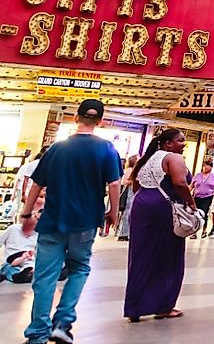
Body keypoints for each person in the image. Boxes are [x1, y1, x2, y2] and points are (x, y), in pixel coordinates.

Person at [20, 99, 122, 344]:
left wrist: (26, 214)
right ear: (100, 121)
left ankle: (37, 334)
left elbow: (36, 184)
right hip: (85, 222)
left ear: (76, 118)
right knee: (79, 268)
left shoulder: (57, 148)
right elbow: (115, 183)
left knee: (45, 277)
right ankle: (63, 323)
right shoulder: (107, 149)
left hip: (53, 220)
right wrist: (113, 212)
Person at [124, 127, 197, 322]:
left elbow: (136, 184)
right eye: (180, 140)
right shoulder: (173, 158)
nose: (184, 144)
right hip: (163, 208)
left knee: (141, 255)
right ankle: (164, 306)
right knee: (169, 257)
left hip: (142, 205)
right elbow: (181, 184)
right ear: (167, 143)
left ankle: (135, 307)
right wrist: (191, 204)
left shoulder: (147, 158)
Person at [2, 203, 39, 283]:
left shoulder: (38, 234)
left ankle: (28, 275)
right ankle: (17, 276)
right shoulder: (13, 229)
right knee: (9, 269)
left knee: (34, 268)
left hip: (28, 262)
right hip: (11, 260)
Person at [190, 160, 214, 239]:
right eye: (204, 165)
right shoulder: (198, 175)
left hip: (207, 196)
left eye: (207, 165)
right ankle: (194, 232)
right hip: (197, 196)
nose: (205, 167)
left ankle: (204, 230)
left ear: (211, 167)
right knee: (195, 213)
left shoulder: (213, 176)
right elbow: (192, 185)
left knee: (204, 212)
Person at [116, 155, 138, 241]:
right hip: (129, 192)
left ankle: (127, 232)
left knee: (130, 212)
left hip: (132, 192)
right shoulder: (129, 170)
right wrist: (133, 180)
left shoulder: (134, 169)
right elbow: (124, 181)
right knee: (127, 212)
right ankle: (123, 233)